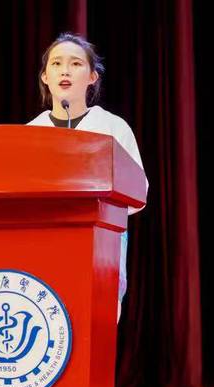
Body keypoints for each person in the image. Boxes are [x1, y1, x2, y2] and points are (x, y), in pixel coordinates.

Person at [27, 33, 148, 322]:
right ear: (45, 77)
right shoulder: (29, 133)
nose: (65, 71)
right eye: (56, 63)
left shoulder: (112, 127)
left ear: (92, 77)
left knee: (95, 330)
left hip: (100, 248)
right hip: (43, 246)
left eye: (76, 63)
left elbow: (139, 192)